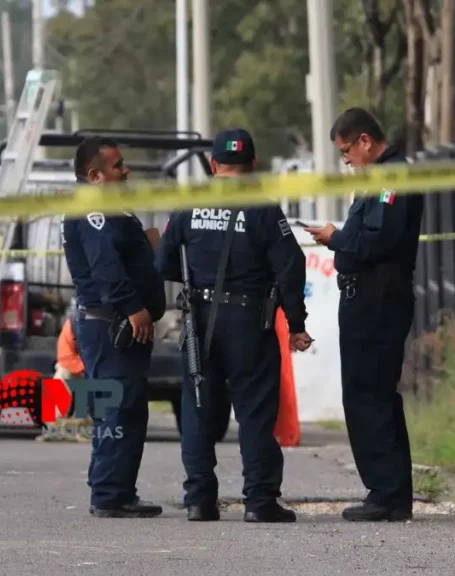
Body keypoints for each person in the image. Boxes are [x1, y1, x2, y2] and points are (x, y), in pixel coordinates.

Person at [156, 128, 313, 523]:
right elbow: (290, 266)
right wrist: (296, 322)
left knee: (197, 408)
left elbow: (164, 262)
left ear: (213, 165)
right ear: (254, 164)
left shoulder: (190, 205)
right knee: (255, 413)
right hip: (248, 321)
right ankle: (259, 503)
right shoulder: (262, 207)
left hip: (200, 319)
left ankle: (200, 501)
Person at [304, 108, 425, 522]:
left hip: (378, 300)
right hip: (367, 299)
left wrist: (336, 238)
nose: (347, 161)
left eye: (346, 151)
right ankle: (390, 494)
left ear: (364, 142)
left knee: (368, 396)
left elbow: (380, 240)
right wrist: (340, 236)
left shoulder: (392, 177)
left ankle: (385, 495)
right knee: (372, 395)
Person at [62, 137, 168, 518]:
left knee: (128, 410)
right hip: (110, 325)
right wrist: (135, 308)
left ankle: (118, 490)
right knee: (116, 410)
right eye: (118, 166)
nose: (126, 171)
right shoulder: (91, 209)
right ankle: (108, 494)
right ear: (95, 175)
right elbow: (105, 266)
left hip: (116, 325)